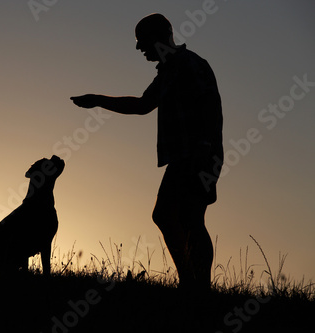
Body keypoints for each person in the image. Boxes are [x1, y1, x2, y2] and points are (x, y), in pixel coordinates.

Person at [71, 13, 223, 291]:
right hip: (185, 157)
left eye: (142, 41)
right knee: (175, 216)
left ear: (160, 38)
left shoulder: (190, 64)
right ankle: (192, 284)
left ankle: (197, 286)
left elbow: (209, 108)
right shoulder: (168, 72)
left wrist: (203, 150)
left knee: (185, 216)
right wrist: (98, 101)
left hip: (199, 155)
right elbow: (142, 105)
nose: (139, 48)